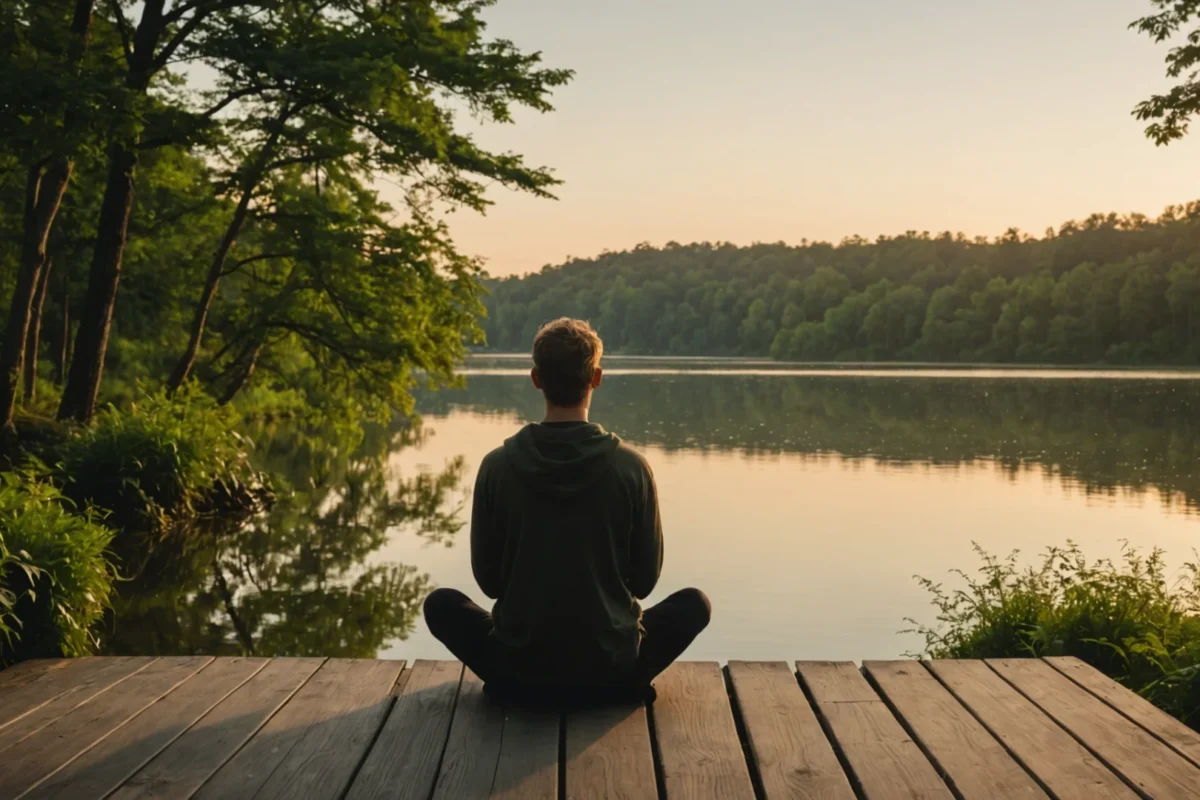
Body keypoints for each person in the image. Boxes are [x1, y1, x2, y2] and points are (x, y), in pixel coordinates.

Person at [423, 317, 710, 705]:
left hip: (518, 667)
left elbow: (489, 582)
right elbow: (644, 581)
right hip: (610, 668)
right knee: (694, 604)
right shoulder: (631, 467)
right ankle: (619, 683)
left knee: (441, 604)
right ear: (596, 378)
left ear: (536, 379)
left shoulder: (497, 465)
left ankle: (518, 682)